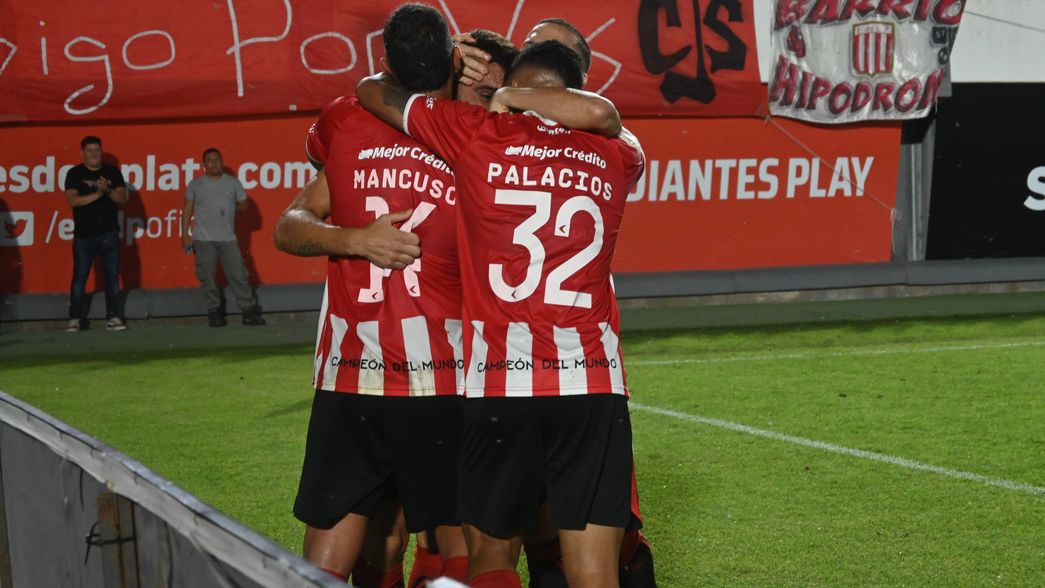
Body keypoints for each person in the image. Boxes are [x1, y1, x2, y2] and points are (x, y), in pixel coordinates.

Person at [358, 39, 644, 588]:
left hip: (499, 384)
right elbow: (605, 117)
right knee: (593, 571)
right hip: (591, 383)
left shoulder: (476, 131)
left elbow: (372, 91)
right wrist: (527, 99)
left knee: (490, 556)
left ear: (514, 87)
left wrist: (462, 71)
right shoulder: (619, 152)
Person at [274, 4, 469, 584]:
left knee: (338, 543)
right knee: (462, 543)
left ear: (385, 60)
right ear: (454, 60)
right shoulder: (471, 133)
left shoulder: (346, 122)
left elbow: (289, 226)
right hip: (441, 375)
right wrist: (359, 239)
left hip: (351, 373)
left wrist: (353, 238)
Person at [182, 148, 265, 327]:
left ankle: (248, 312)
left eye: (217, 160)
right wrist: (184, 235)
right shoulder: (195, 184)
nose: (214, 163)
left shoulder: (233, 183)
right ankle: (214, 313)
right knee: (208, 278)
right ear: (204, 165)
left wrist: (235, 206)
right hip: (203, 239)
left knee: (239, 275)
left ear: (222, 161)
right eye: (210, 160)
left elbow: (244, 204)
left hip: (228, 238)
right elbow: (187, 209)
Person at [64, 135, 128, 332]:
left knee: (112, 277)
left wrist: (107, 189)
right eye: (89, 150)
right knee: (80, 277)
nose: (94, 154)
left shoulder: (112, 172)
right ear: (82, 153)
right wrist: (98, 194)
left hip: (109, 234)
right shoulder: (74, 173)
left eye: (97, 150)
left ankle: (113, 317)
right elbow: (73, 201)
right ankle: (75, 318)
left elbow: (122, 198)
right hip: (83, 236)